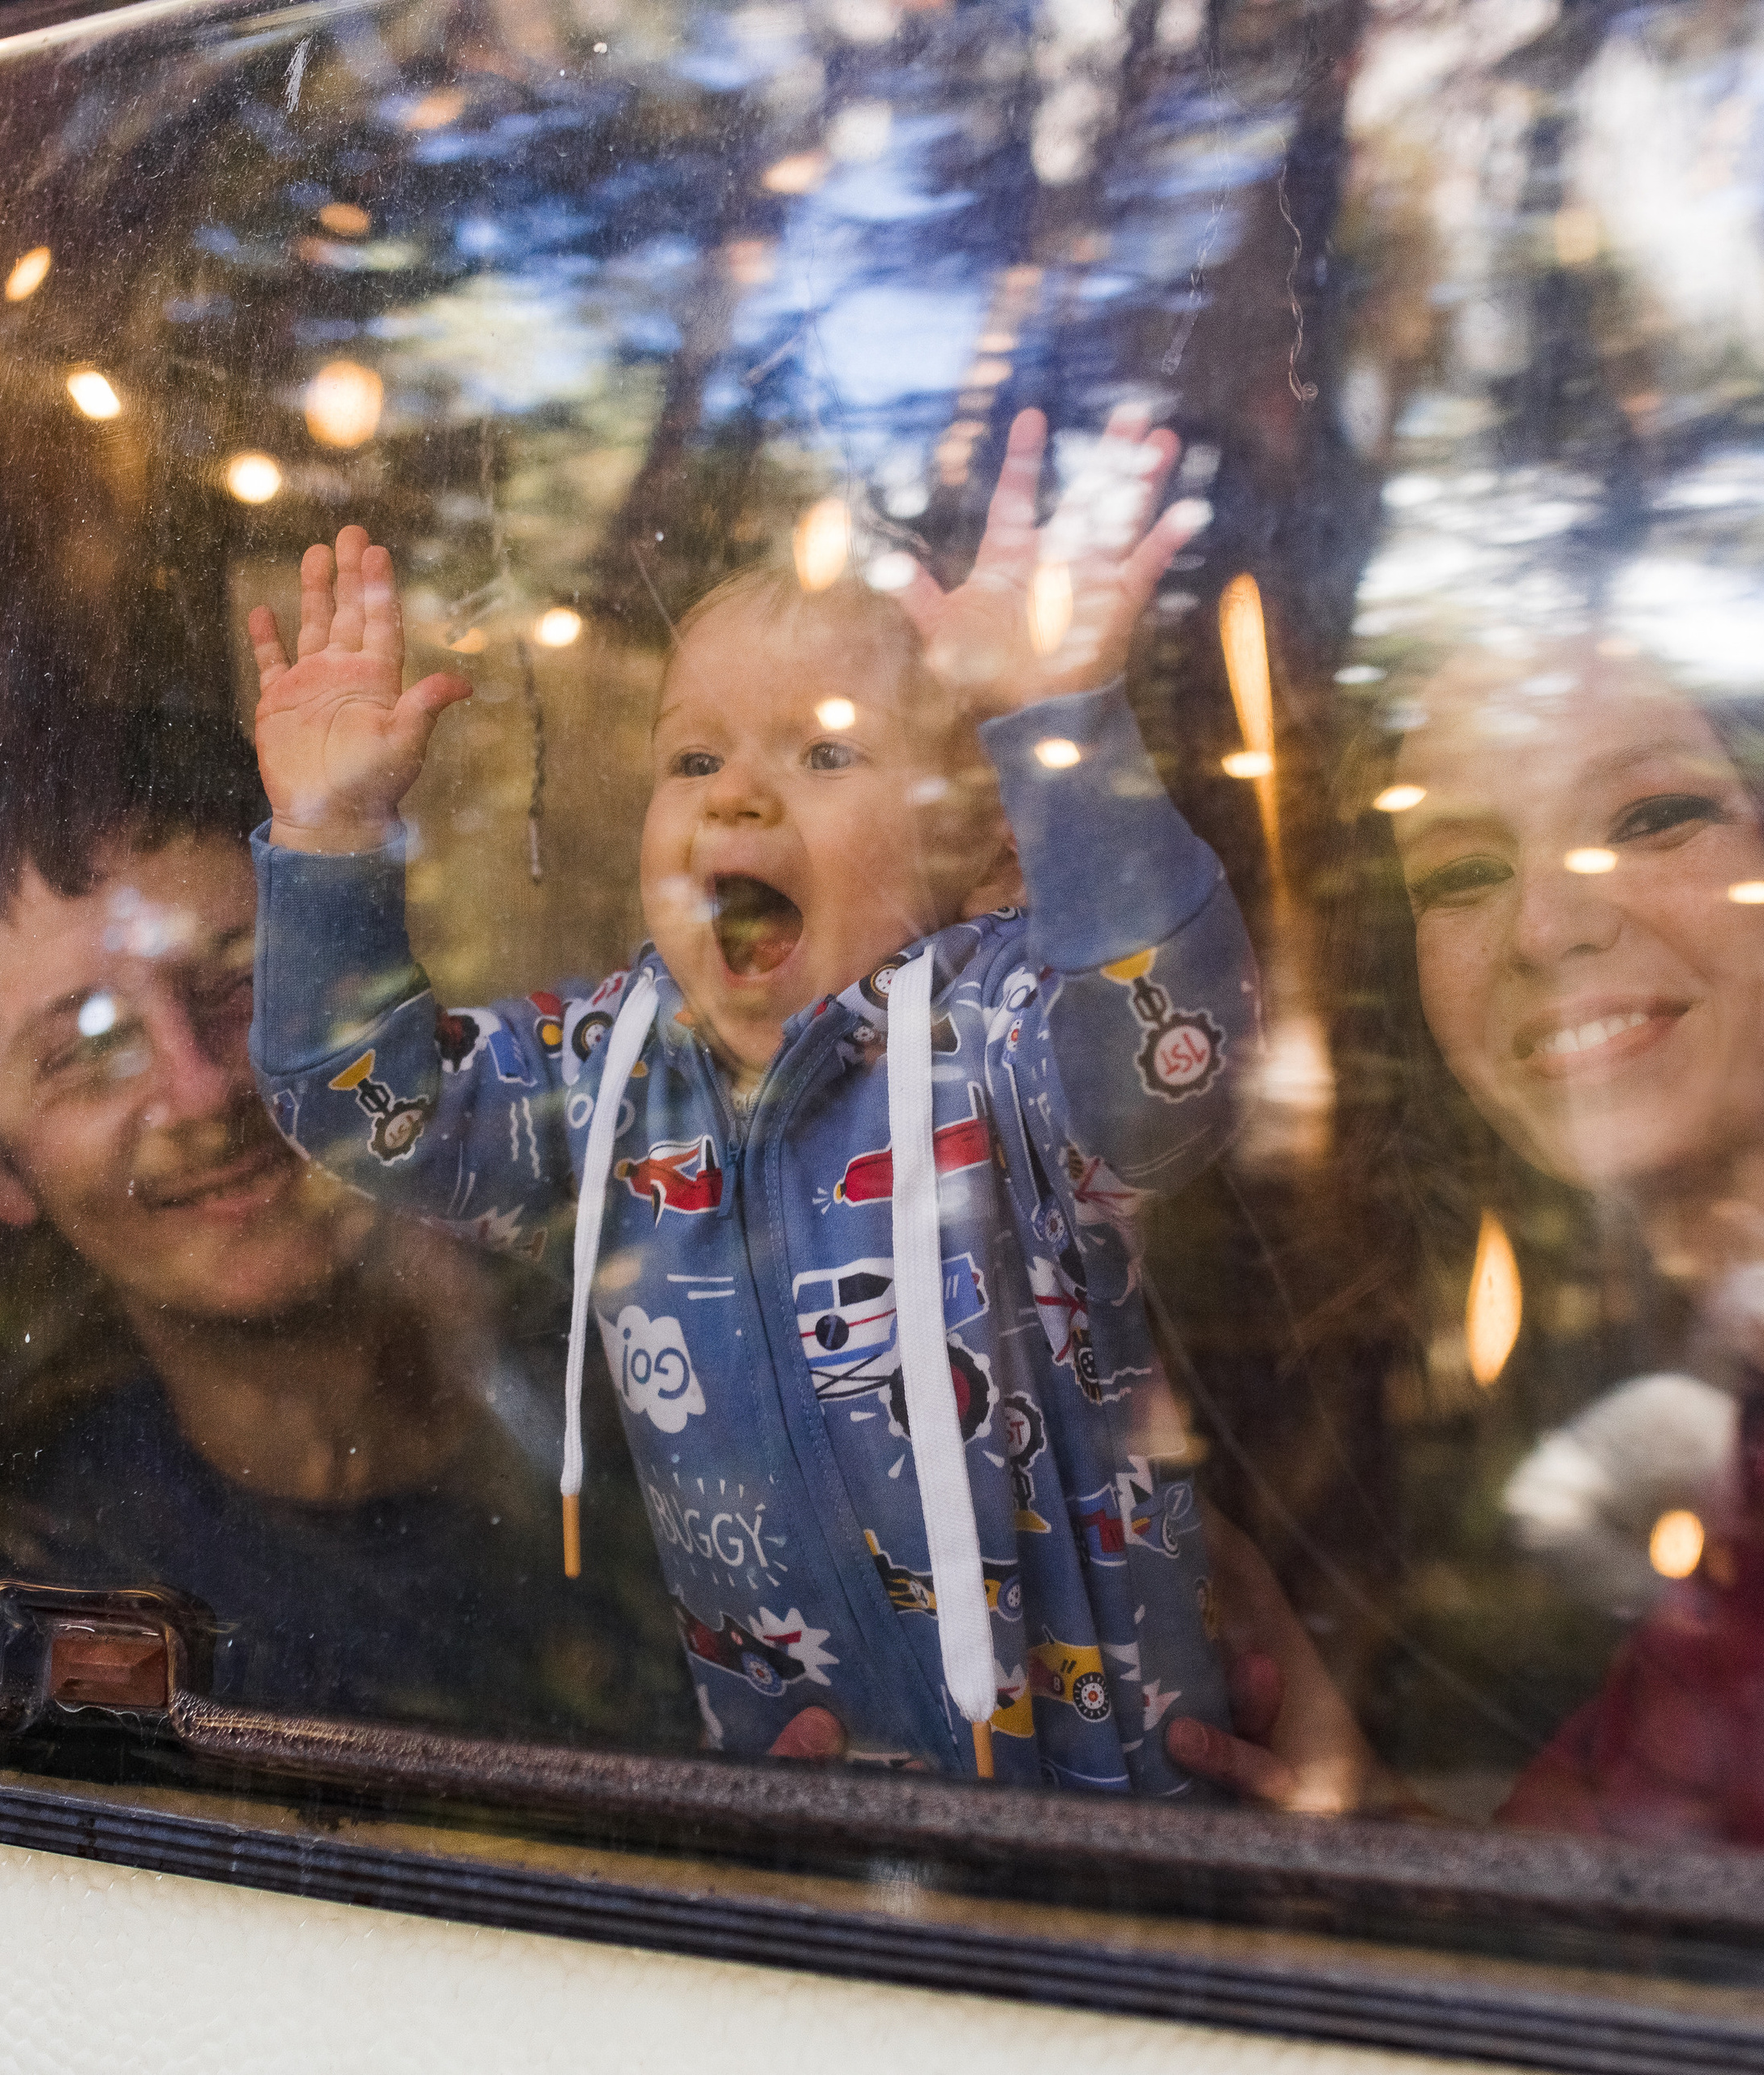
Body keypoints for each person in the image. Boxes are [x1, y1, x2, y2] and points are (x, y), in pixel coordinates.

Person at [245, 406, 1254, 1791]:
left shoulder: (1008, 1031)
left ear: (980, 850)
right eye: (694, 759)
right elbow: (367, 1111)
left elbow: (1167, 1055)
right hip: (805, 1813)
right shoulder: (605, 1070)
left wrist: (1058, 730)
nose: (734, 802)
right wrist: (330, 841)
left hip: (1114, 1804)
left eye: (824, 754)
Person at [0, 708, 696, 1751]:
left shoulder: (667, 1375)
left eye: (249, 988)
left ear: (390, 1004)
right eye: (86, 1047)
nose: (203, 1090)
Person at [1351, 639, 1764, 1854]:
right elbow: (1596, 1934)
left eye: (1654, 817)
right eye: (1462, 872)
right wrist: (1326, 1788)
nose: (1547, 928)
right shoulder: (1735, 1414)